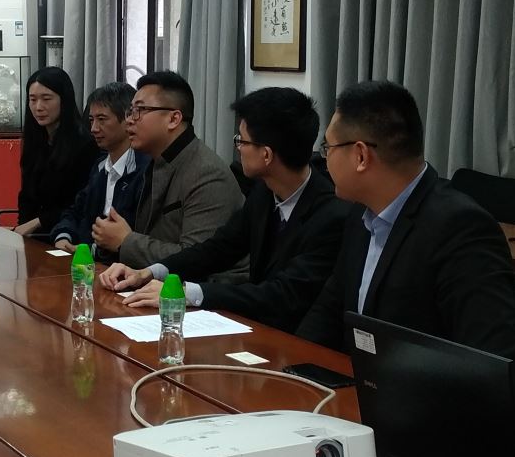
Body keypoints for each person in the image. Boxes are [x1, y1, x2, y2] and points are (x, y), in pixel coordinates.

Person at [294, 79, 515, 457]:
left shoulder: (458, 226)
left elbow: (492, 360)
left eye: (328, 149)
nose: (322, 161)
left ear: (361, 155)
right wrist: (289, 377)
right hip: (367, 412)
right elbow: (331, 308)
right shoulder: (361, 216)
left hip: (433, 441)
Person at [98, 87, 351, 332]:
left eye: (242, 141)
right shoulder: (264, 192)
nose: (237, 148)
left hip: (296, 337)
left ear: (266, 155)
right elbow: (218, 249)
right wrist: (150, 272)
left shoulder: (331, 215)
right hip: (256, 328)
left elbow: (281, 294)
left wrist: (189, 293)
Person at [90, 71, 243, 272]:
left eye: (140, 110)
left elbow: (197, 260)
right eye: (130, 111)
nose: (130, 120)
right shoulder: (154, 161)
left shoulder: (207, 174)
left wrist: (125, 241)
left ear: (173, 119)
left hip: (204, 287)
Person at [52, 82, 148, 261]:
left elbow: (135, 235)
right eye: (91, 120)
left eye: (102, 119)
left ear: (128, 120)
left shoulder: (144, 170)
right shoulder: (100, 167)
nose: (94, 128)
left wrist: (91, 250)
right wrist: (64, 236)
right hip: (84, 260)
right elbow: (75, 211)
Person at [14, 66, 97, 237]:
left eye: (46, 99)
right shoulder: (35, 140)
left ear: (64, 100)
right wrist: (20, 229)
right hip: (33, 234)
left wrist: (36, 223)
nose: (38, 107)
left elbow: (78, 204)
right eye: (32, 99)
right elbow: (26, 196)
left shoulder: (85, 144)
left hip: (65, 234)